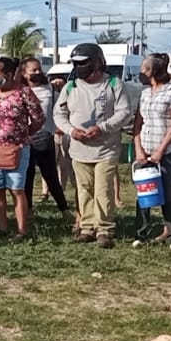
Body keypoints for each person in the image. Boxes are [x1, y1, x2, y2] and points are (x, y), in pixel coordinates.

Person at [54, 43, 133, 248]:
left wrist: (103, 128)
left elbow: (124, 112)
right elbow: (59, 114)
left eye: (83, 63)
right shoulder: (70, 87)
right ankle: (87, 227)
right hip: (79, 149)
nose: (79, 67)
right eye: (76, 64)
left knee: (103, 189)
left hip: (106, 148)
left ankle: (104, 230)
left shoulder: (114, 84)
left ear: (97, 62)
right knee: (84, 189)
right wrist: (72, 130)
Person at [0, 57, 45, 239]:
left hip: (18, 149)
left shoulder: (24, 93)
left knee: (17, 189)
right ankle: (2, 228)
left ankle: (22, 230)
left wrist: (23, 134)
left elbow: (38, 118)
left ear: (8, 75)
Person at [132, 53, 171, 245]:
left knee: (165, 191)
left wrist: (160, 150)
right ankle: (141, 232)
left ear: (154, 70)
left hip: (167, 151)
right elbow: (137, 124)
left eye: (144, 69)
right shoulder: (145, 93)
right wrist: (138, 149)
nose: (141, 73)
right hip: (145, 150)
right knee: (143, 192)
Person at [20, 57, 72, 220]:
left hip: (44, 137)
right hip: (25, 138)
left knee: (50, 176)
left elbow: (61, 107)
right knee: (27, 177)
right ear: (24, 73)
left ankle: (64, 210)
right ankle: (28, 210)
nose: (37, 72)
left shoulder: (49, 88)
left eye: (38, 69)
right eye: (33, 70)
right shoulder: (19, 90)